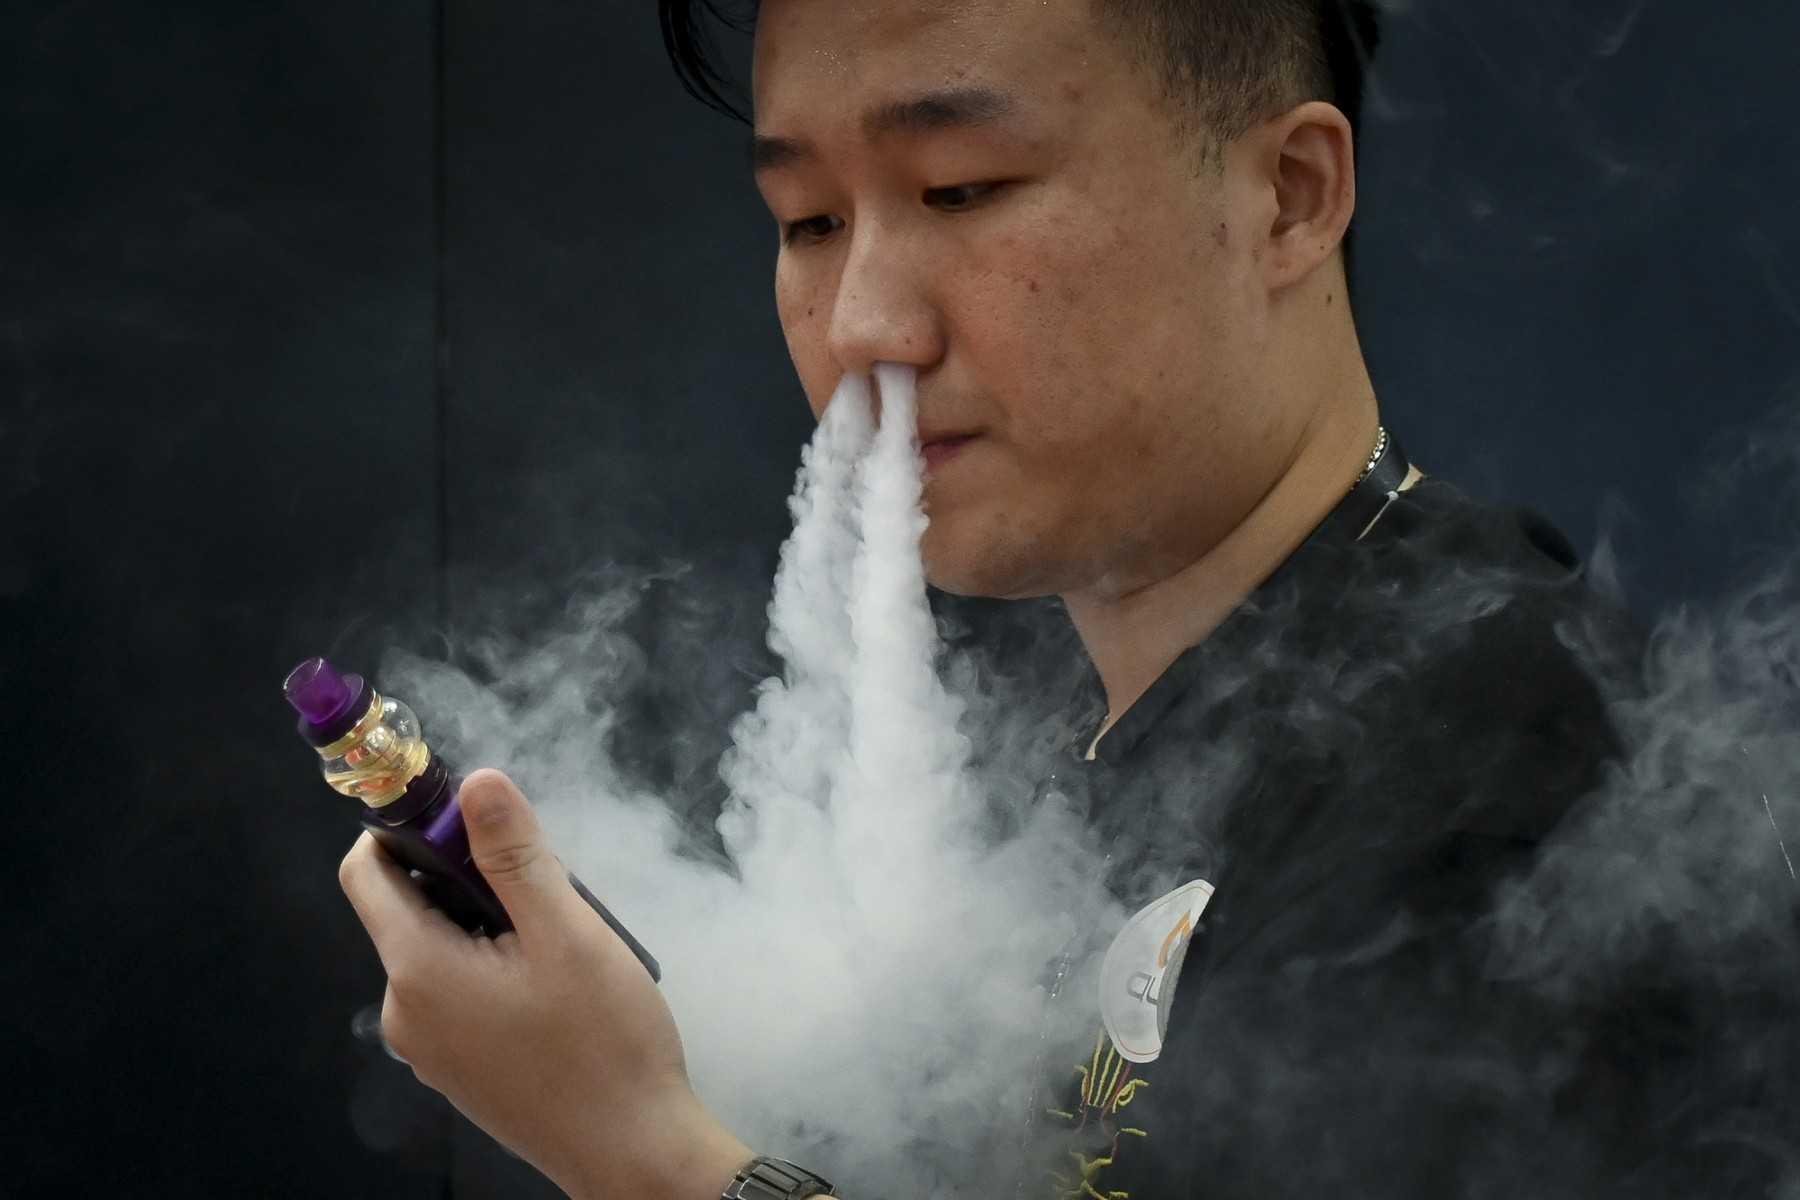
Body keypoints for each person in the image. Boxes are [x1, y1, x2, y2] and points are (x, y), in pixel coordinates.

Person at [337, 1, 1773, 1196]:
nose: (864, 328)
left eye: (960, 192)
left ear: (1288, 196)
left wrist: (648, 1157)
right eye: (808, 218)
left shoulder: (1521, 765)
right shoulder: (1045, 733)